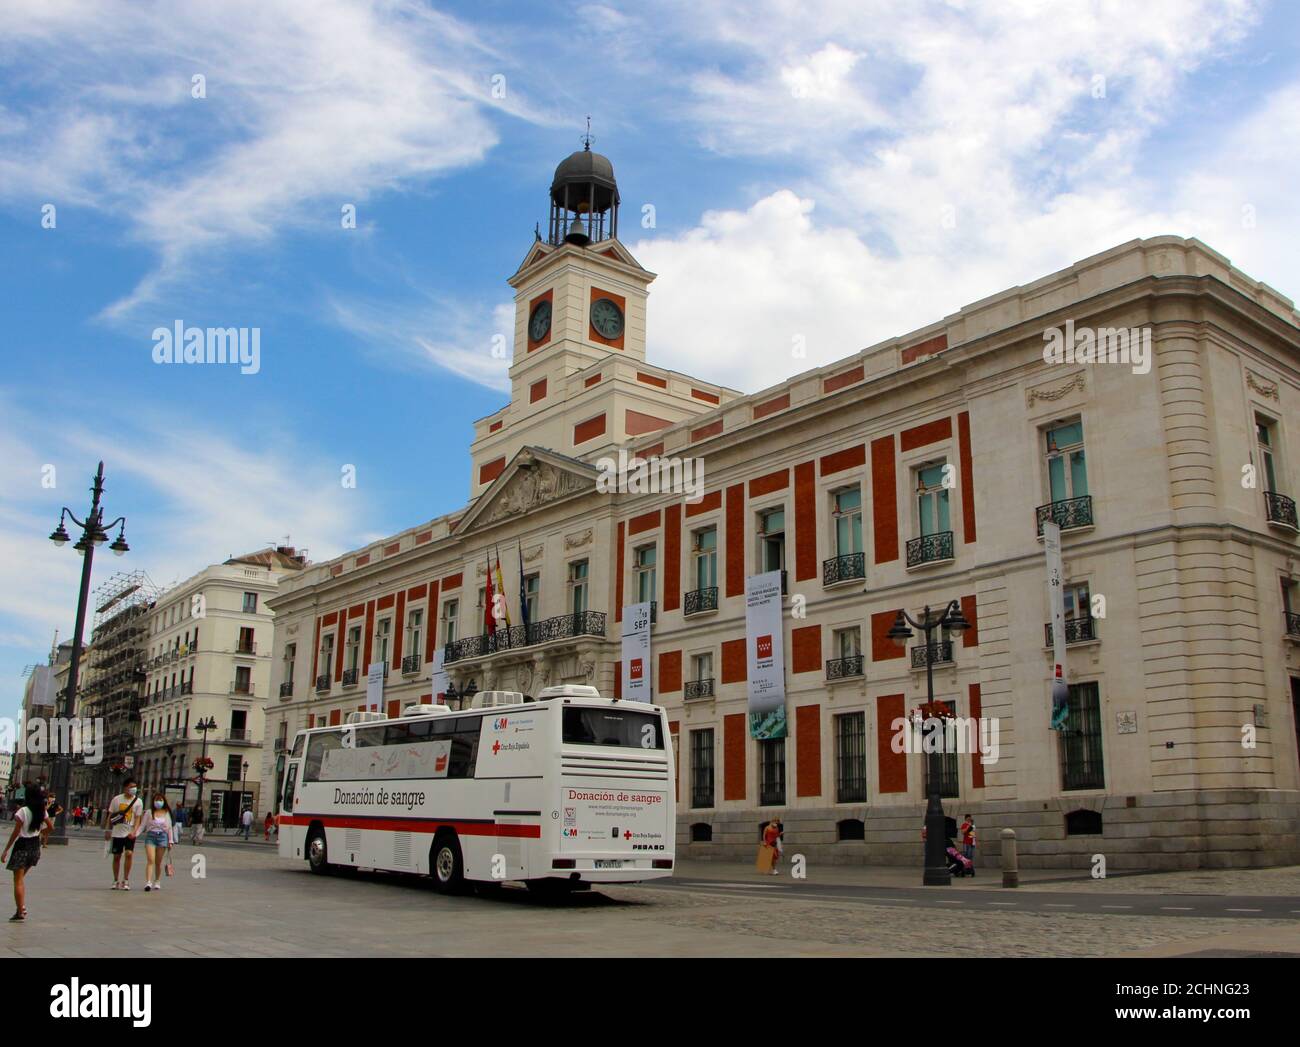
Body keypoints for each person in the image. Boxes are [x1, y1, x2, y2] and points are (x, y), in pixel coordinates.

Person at [2, 784, 53, 921]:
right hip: (35, 847)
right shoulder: (41, 810)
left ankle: (21, 910)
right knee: (20, 880)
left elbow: (16, 832)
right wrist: (40, 833)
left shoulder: (22, 811)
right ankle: (20, 908)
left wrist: (6, 850)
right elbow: (51, 827)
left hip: (22, 846)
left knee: (17, 881)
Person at [105, 778, 144, 890]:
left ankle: (126, 880)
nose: (134, 789)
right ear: (125, 787)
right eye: (131, 786)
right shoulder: (117, 799)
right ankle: (115, 880)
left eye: (135, 786)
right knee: (117, 856)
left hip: (129, 832)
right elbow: (110, 816)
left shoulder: (138, 801)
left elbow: (137, 818)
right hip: (117, 832)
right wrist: (108, 830)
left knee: (129, 854)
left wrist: (134, 831)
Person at [136, 794, 173, 892]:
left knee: (158, 862)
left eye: (160, 800)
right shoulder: (149, 812)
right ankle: (148, 882)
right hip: (151, 837)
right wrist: (135, 834)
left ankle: (157, 880)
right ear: (153, 801)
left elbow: (169, 828)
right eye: (156, 800)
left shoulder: (166, 813)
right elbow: (142, 825)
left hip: (162, 837)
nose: (158, 802)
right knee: (150, 860)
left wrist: (170, 841)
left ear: (164, 801)